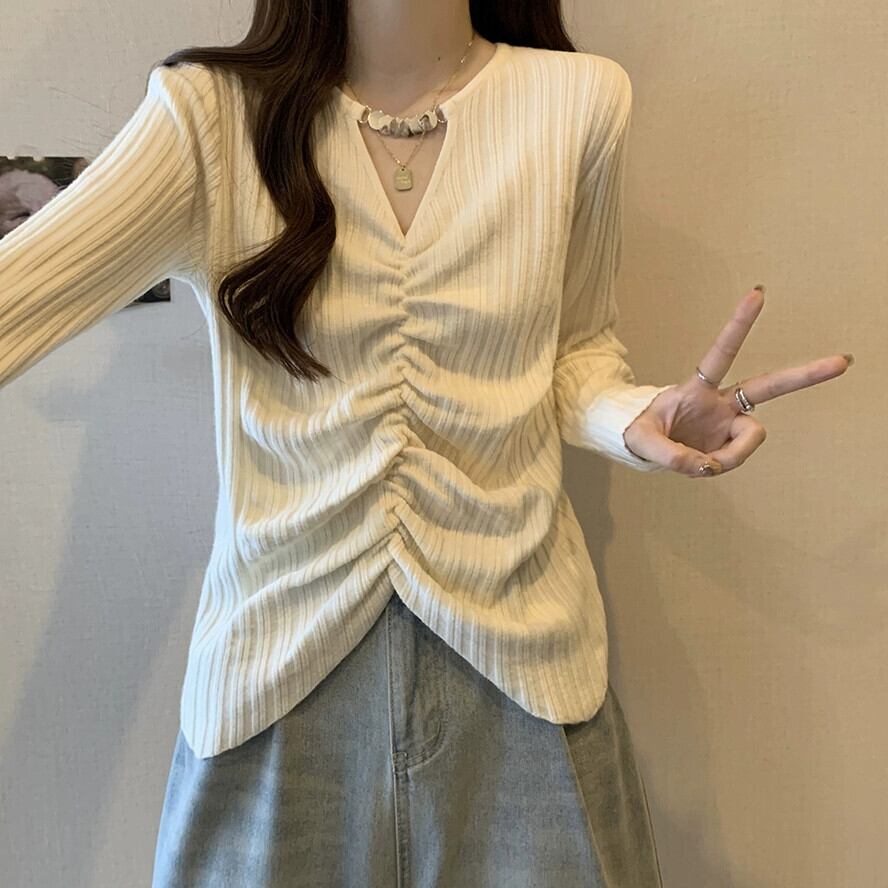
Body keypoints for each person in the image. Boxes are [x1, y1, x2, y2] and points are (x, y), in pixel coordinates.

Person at [0, 1, 853, 885]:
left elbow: (575, 351)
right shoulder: (207, 116)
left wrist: (634, 417)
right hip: (277, 679)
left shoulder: (579, 101)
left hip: (523, 667)